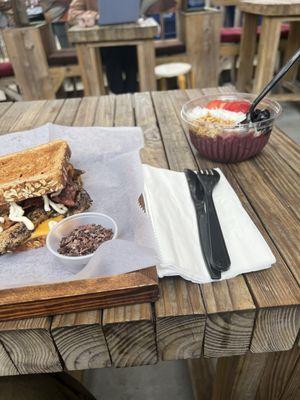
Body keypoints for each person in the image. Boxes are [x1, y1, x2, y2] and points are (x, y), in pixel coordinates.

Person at [68, 0, 177, 94]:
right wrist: (94, 16)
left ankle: (128, 92)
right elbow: (72, 15)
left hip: (130, 41)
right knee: (114, 51)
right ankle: (121, 91)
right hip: (101, 45)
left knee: (131, 49)